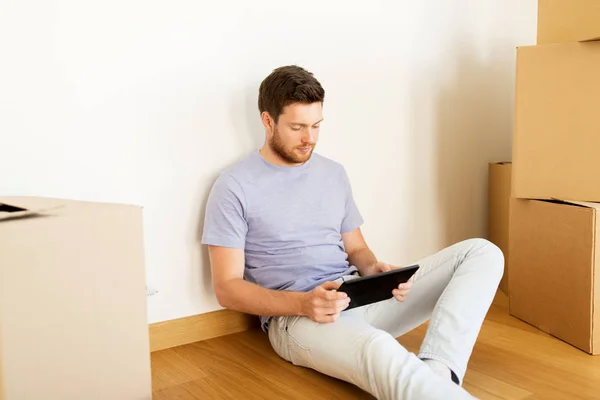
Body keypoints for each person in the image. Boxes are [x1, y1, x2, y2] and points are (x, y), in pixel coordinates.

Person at [201, 65, 503, 400]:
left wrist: (374, 270)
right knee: (380, 350)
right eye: (297, 127)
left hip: (357, 293)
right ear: (268, 121)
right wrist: (303, 304)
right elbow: (226, 289)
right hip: (297, 318)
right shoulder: (234, 186)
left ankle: (438, 372)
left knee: (482, 253)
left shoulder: (333, 173)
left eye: (316, 126)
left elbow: (356, 247)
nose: (309, 138)